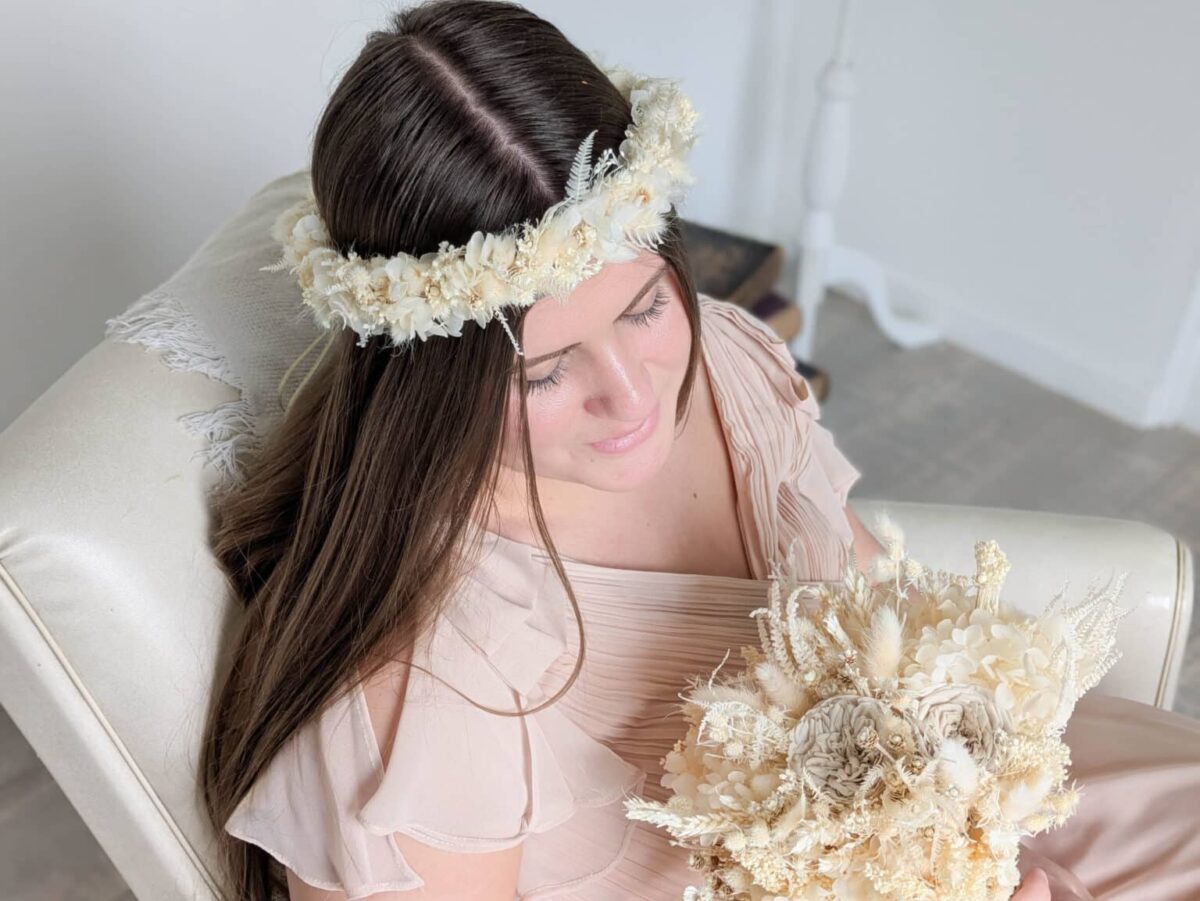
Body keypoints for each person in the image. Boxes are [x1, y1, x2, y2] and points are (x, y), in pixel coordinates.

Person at [200, 2, 1200, 899]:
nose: (634, 395)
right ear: (431, 378)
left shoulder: (717, 350)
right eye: (544, 373)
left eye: (644, 307)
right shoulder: (425, 681)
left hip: (938, 798)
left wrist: (956, 817)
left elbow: (868, 599)